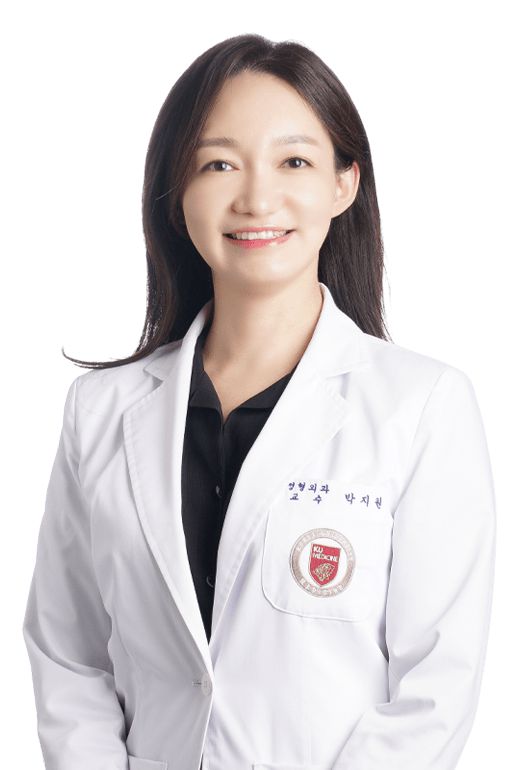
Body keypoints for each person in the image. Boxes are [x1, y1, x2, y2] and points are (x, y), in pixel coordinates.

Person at [22, 33, 496, 770]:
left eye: (294, 162)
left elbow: (435, 686)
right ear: (178, 193)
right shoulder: (101, 411)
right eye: (218, 164)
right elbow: (69, 653)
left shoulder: (422, 406)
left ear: (344, 184)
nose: (256, 198)